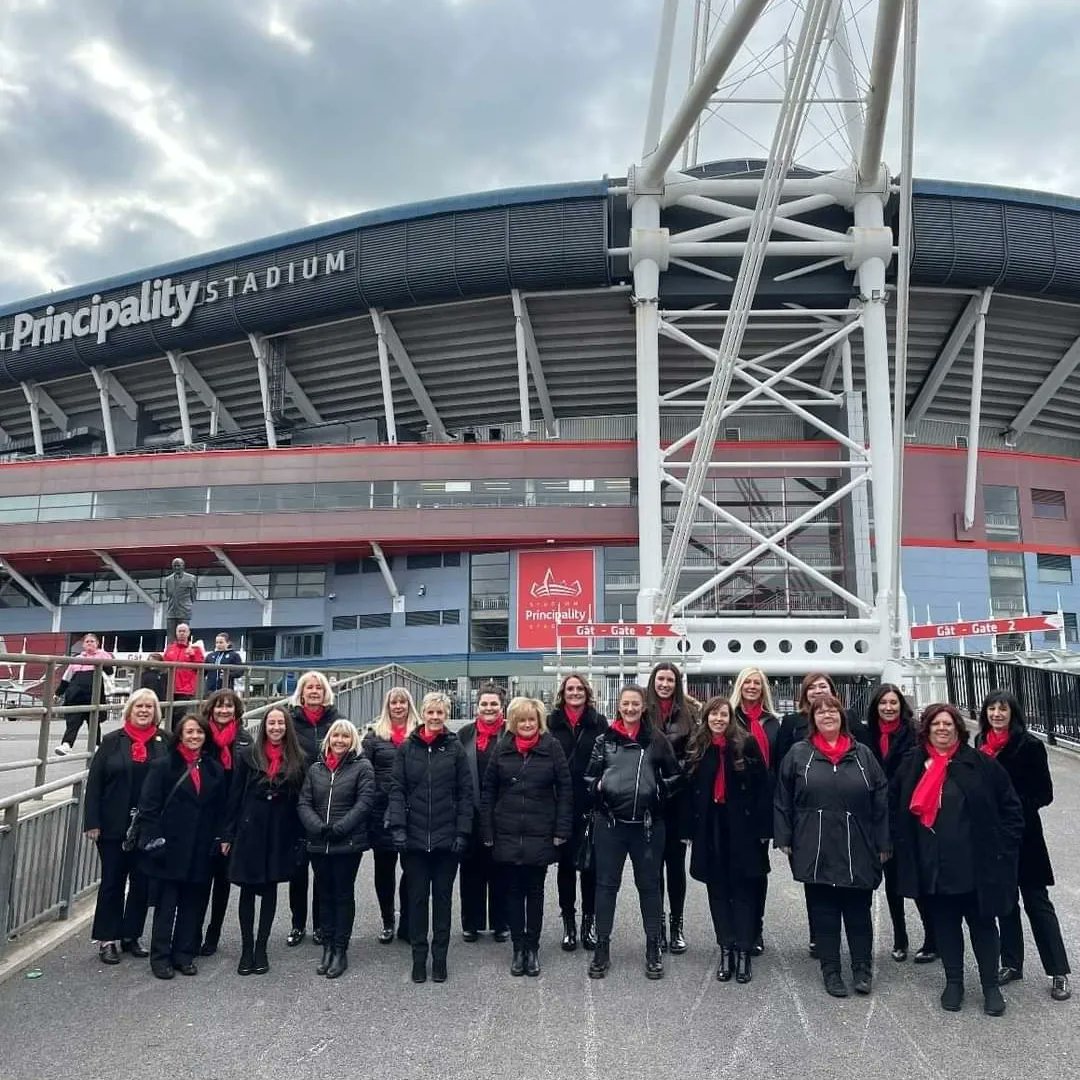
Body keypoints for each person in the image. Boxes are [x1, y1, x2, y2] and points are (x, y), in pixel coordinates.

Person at [892, 703, 1025, 1015]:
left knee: (983, 925)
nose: (942, 729)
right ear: (927, 729)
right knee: (946, 924)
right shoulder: (913, 764)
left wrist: (1002, 848)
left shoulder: (980, 764)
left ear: (958, 729)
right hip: (933, 864)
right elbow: (895, 808)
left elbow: (1010, 808)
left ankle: (990, 986)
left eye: (948, 724)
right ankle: (954, 982)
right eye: (936, 724)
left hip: (976, 863)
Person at [774, 694, 889, 999]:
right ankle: (831, 968)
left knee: (858, 910)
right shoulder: (799, 754)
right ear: (813, 719)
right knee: (823, 909)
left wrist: (884, 841)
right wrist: (784, 837)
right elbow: (783, 798)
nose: (827, 715)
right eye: (820, 712)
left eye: (832, 711)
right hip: (815, 841)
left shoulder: (862, 754)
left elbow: (881, 799)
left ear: (843, 717)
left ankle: (862, 968)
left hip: (858, 840)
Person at [976, 690, 1072, 1001]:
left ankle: (1058, 971)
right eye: (992, 709)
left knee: (1037, 903)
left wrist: (1012, 807)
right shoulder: (981, 744)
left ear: (1013, 713)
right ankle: (1011, 963)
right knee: (1005, 903)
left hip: (1025, 835)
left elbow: (1044, 793)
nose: (997, 714)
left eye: (1002, 709)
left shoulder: (1030, 746)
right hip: (993, 837)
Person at [584, 684, 681, 980]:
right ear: (619, 706)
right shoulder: (605, 740)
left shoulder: (657, 740)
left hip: (648, 827)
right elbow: (589, 776)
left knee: (650, 887)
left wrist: (657, 791)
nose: (629, 709)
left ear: (643, 707)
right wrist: (597, 786)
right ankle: (602, 946)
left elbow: (675, 776)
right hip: (610, 825)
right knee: (606, 886)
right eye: (625, 704)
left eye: (635, 704)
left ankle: (653, 947)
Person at [481, 697, 572, 977]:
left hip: (540, 831)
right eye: (522, 720)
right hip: (507, 830)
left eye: (532, 719)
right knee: (512, 892)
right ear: (513, 723)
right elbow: (488, 792)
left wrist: (561, 830)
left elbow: (566, 791)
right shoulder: (501, 749)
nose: (527, 724)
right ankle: (517, 948)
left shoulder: (551, 747)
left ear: (539, 721)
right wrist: (487, 831)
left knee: (535, 892)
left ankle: (532, 948)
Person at [684, 695, 771, 984]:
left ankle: (744, 951)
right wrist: (688, 831)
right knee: (718, 892)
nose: (719, 719)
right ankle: (726, 948)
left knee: (744, 891)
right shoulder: (700, 746)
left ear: (730, 718)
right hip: (711, 828)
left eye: (724, 714)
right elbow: (691, 791)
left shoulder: (744, 744)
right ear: (706, 717)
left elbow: (762, 788)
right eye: (714, 714)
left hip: (741, 828)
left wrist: (763, 829)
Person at [388, 690, 472, 985]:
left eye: (440, 713)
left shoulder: (455, 748)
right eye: (431, 712)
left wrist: (463, 831)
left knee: (443, 901)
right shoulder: (407, 748)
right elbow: (396, 789)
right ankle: (418, 957)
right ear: (422, 713)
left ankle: (440, 958)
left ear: (446, 715)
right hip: (413, 839)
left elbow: (465, 793)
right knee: (418, 899)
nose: (435, 717)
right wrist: (398, 827)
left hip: (447, 839)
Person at [137, 712, 226, 980]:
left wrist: (218, 838)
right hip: (170, 847)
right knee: (167, 906)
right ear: (180, 735)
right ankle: (161, 957)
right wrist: (155, 840)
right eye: (189, 732)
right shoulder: (163, 765)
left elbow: (219, 809)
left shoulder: (213, 768)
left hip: (200, 847)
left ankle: (183, 954)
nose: (194, 737)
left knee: (193, 905)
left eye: (199, 732)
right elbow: (149, 807)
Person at [83, 688, 168, 964]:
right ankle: (107, 939)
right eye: (139, 706)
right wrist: (92, 822)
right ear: (129, 710)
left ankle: (131, 934)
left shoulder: (164, 741)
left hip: (147, 826)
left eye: (149, 707)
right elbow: (94, 784)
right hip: (113, 825)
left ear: (156, 712)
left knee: (142, 883)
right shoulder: (111, 741)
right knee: (112, 882)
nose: (144, 711)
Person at [221, 705, 306, 975]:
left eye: (281, 723)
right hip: (250, 831)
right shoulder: (248, 756)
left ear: (287, 727)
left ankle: (261, 948)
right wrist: (227, 834)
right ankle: (246, 949)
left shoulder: (297, 758)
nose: (276, 728)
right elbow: (233, 798)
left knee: (269, 891)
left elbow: (300, 801)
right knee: (247, 890)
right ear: (265, 726)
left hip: (280, 832)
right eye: (272, 723)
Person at [864, 683, 937, 964]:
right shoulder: (867, 734)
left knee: (917, 879)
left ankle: (932, 938)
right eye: (883, 703)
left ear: (901, 706)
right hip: (879, 816)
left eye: (893, 703)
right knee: (892, 882)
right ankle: (900, 938)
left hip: (908, 815)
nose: (888, 708)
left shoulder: (915, 734)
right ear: (876, 706)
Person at [297, 719, 375, 979]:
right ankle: (328, 945)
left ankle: (340, 949)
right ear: (328, 740)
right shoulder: (316, 769)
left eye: (345, 736)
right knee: (324, 895)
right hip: (319, 842)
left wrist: (341, 828)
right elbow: (304, 802)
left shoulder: (362, 767)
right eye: (335, 736)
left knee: (342, 895)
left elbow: (364, 802)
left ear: (352, 740)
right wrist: (317, 826)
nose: (339, 741)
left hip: (347, 844)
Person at [775, 670, 836, 956]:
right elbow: (780, 770)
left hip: (840, 810)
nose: (817, 692)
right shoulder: (791, 723)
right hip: (805, 813)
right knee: (813, 878)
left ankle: (841, 936)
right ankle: (818, 935)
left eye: (822, 686)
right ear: (804, 694)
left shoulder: (844, 720)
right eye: (811, 688)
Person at [547, 672, 607, 952]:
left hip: (590, 804)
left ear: (586, 692)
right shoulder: (551, 723)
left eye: (579, 688)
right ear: (563, 693)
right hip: (560, 804)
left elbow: (608, 760)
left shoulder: (598, 722)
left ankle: (588, 922)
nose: (574, 692)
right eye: (570, 688)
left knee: (591, 867)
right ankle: (569, 923)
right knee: (567, 867)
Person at [643, 662, 696, 954]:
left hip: (677, 799)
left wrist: (673, 776)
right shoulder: (642, 710)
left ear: (677, 683)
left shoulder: (689, 713)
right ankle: (658, 924)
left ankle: (677, 924)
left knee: (675, 868)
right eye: (661, 679)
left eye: (670, 680)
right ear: (654, 681)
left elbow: (694, 751)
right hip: (649, 800)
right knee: (652, 868)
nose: (665, 684)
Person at [195, 688, 252, 955]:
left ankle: (213, 934)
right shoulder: (200, 737)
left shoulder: (243, 740)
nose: (224, 710)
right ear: (210, 709)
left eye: (229, 706)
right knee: (198, 880)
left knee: (222, 882)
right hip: (202, 819)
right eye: (219, 706)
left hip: (231, 821)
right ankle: (191, 931)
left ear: (236, 710)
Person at [362, 687, 420, 943]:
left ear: (409, 705)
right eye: (393, 702)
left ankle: (407, 919)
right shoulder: (374, 737)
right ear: (387, 706)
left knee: (411, 870)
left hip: (414, 813)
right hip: (381, 812)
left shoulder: (420, 732)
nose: (398, 706)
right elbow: (365, 772)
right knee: (384, 871)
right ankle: (387, 920)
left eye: (402, 702)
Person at [286, 670, 340, 946]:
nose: (314, 691)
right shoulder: (290, 721)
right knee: (298, 869)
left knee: (322, 870)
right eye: (309, 688)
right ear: (302, 693)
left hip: (327, 804)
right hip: (297, 802)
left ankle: (320, 923)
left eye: (319, 687)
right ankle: (297, 924)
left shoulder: (337, 720)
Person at [730, 666, 781, 956]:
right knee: (733, 870)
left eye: (757, 683)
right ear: (740, 686)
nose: (752, 687)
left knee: (757, 872)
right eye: (747, 682)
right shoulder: (729, 718)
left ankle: (756, 928)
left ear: (763, 688)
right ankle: (738, 928)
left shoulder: (773, 723)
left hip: (762, 806)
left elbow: (779, 764)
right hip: (734, 806)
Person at [457, 683, 509, 942]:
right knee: (470, 870)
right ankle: (472, 923)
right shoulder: (464, 734)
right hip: (472, 811)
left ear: (502, 706)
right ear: (477, 707)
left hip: (502, 813)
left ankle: (502, 923)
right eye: (484, 704)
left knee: (501, 870)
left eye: (493, 704)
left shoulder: (510, 733)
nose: (489, 708)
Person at [54, 633, 114, 755]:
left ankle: (97, 745)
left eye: (92, 641)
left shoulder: (102, 655)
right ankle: (66, 744)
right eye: (87, 642)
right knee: (73, 721)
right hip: (76, 695)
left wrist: (103, 659)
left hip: (93, 694)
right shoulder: (77, 658)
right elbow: (67, 678)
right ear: (83, 645)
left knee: (94, 722)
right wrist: (58, 693)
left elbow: (110, 671)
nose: (90, 643)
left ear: (97, 644)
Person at [162, 624, 205, 731]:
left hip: (185, 688)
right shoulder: (170, 648)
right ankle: (169, 736)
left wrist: (193, 655)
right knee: (167, 713)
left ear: (188, 633)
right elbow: (163, 666)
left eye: (184, 631)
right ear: (176, 633)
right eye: (179, 631)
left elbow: (201, 667)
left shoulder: (195, 649)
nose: (181, 633)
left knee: (179, 715)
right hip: (169, 687)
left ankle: (176, 736)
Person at [164, 557, 197, 642]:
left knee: (183, 635)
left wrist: (186, 605)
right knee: (170, 636)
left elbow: (193, 596)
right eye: (174, 566)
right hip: (171, 611)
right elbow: (168, 594)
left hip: (184, 611)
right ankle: (171, 653)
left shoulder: (191, 578)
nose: (176, 568)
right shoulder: (168, 580)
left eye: (178, 565)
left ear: (183, 566)